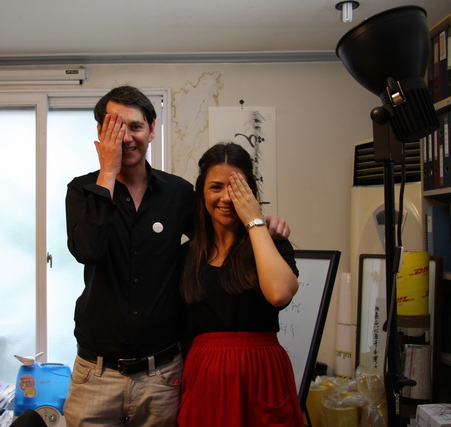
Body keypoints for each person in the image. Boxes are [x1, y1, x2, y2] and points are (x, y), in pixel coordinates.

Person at [64, 86, 291, 426]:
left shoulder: (178, 193)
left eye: (136, 126)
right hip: (96, 372)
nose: (126, 137)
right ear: (100, 131)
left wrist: (259, 224)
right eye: (115, 127)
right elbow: (87, 250)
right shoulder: (82, 191)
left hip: (161, 373)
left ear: (152, 130)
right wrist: (107, 172)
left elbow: (219, 237)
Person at [177, 142, 302, 427]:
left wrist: (255, 221)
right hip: (204, 378)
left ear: (251, 194)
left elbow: (279, 294)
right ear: (202, 192)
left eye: (236, 188)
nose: (226, 197)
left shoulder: (272, 245)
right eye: (216, 187)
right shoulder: (187, 255)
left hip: (262, 374)